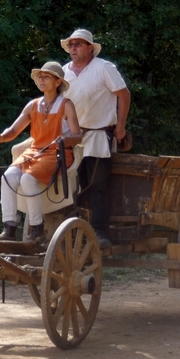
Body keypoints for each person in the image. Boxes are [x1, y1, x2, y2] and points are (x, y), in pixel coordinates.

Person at [0, 61, 82, 242]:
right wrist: (1, 137)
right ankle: (9, 228)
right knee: (7, 177)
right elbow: (14, 131)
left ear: (57, 82)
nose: (42, 79)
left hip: (58, 154)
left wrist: (65, 139)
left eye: (46, 76)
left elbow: (77, 136)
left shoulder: (66, 105)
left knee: (28, 179)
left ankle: (37, 230)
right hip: (34, 153)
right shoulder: (33, 105)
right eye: (40, 76)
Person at [61, 28, 131, 248]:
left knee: (97, 185)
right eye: (71, 44)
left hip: (98, 135)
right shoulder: (63, 72)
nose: (73, 48)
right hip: (71, 137)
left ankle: (100, 232)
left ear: (90, 48)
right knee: (70, 185)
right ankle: (71, 230)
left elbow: (124, 94)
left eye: (78, 44)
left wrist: (120, 126)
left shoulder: (104, 68)